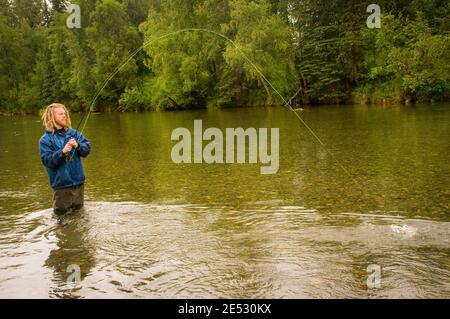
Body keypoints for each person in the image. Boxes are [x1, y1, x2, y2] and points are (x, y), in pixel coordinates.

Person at [39, 103, 91, 215]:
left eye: (65, 114)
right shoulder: (45, 140)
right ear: (52, 117)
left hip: (79, 184)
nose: (64, 116)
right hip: (62, 187)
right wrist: (62, 152)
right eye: (60, 114)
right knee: (62, 220)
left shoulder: (74, 134)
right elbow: (47, 161)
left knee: (79, 217)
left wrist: (78, 145)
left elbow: (87, 150)